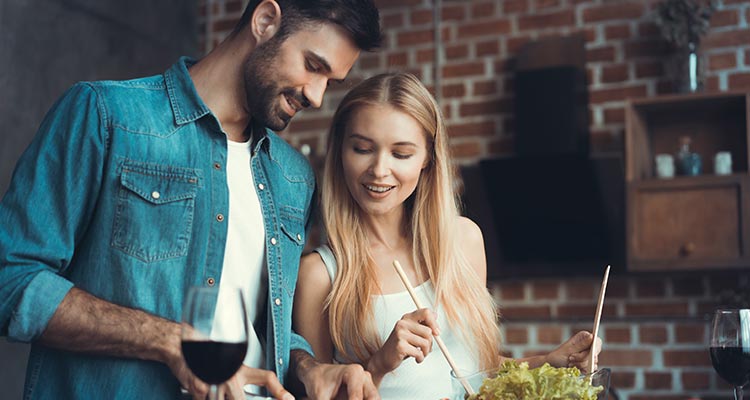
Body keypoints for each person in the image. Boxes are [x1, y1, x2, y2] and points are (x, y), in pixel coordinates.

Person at [0, 1, 382, 399]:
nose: (317, 97)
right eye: (313, 66)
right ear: (266, 21)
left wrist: (308, 367)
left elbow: (267, 324)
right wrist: (169, 341)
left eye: (330, 81)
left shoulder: (293, 177)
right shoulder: (107, 117)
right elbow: (10, 279)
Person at [293, 72, 603, 399]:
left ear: (428, 158)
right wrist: (378, 365)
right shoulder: (319, 275)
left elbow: (474, 370)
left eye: (401, 154)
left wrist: (548, 362)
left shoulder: (464, 241)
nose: (379, 169)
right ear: (340, 151)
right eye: (362, 148)